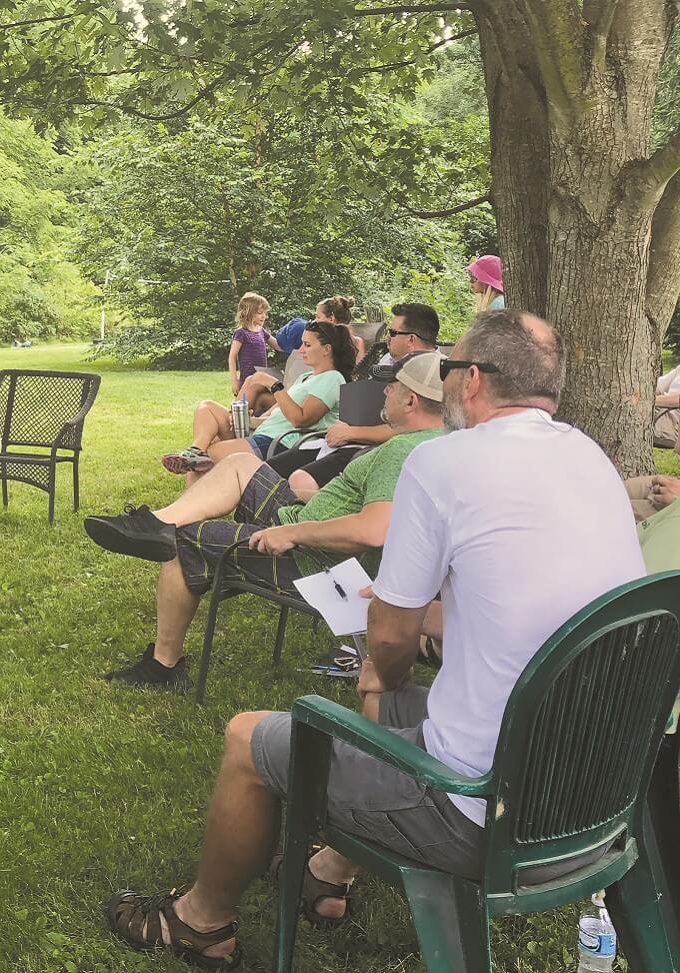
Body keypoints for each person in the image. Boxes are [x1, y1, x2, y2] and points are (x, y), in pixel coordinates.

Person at [102, 311, 644, 968]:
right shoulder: (588, 457)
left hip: (489, 814)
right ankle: (326, 872)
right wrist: (427, 626)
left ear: (470, 381)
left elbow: (387, 642)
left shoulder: (442, 460)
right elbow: (529, 615)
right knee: (400, 702)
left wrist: (379, 668)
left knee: (253, 737)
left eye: (446, 370)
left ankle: (199, 921)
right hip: (597, 799)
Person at [90, 352, 444, 688]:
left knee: (185, 540)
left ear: (411, 401)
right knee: (243, 465)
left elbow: (372, 531)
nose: (385, 390)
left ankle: (163, 666)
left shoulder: (402, 450)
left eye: (394, 386)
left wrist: (293, 531)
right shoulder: (439, 443)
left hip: (315, 563)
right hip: (310, 529)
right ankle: (156, 523)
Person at [268, 302, 443, 495]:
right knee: (268, 471)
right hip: (343, 438)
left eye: (392, 333)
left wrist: (351, 433)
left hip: (369, 447)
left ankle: (295, 519)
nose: (387, 338)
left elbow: (412, 429)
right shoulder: (388, 360)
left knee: (300, 481)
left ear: (411, 339)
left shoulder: (433, 374)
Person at [163, 322, 355, 479]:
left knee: (209, 455)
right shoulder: (305, 378)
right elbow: (279, 414)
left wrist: (274, 385)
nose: (301, 349)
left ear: (326, 349)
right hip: (263, 432)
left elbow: (301, 419)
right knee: (207, 408)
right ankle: (195, 451)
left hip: (278, 442)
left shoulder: (332, 378)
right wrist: (251, 421)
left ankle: (186, 518)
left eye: (307, 345)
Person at [228, 292, 280, 397]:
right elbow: (232, 357)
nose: (264, 316)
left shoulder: (262, 331)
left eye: (265, 313)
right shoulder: (241, 333)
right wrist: (234, 381)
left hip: (261, 381)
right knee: (244, 408)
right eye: (260, 313)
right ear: (249, 312)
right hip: (247, 382)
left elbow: (278, 345)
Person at [651, 361, 680, 451]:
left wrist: (647, 401)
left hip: (675, 420)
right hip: (662, 411)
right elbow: (658, 386)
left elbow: (677, 400)